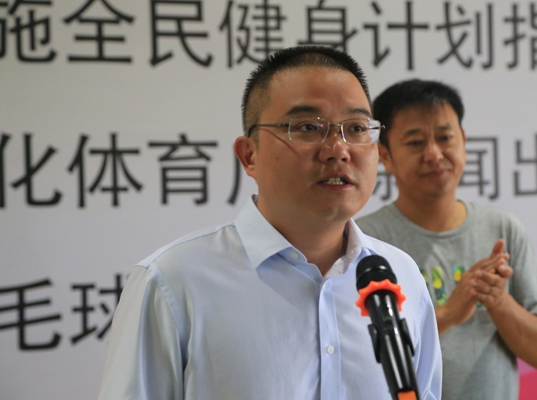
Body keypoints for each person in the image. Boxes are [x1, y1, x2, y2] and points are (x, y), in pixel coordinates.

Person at [97, 48, 442, 400]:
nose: (338, 149)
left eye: (355, 128)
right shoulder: (173, 282)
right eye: (308, 127)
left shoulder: (400, 276)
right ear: (250, 155)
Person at [356, 79, 537, 400]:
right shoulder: (364, 241)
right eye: (415, 142)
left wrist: (497, 300)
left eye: (445, 137)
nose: (434, 154)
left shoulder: (502, 229)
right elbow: (356, 357)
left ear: (463, 140)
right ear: (385, 156)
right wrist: (448, 313)